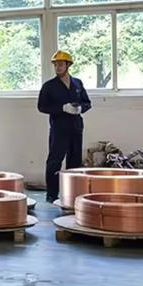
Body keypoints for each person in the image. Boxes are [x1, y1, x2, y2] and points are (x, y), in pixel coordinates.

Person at [37, 50, 92, 203]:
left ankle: (73, 193)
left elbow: (87, 102)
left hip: (76, 128)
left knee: (75, 162)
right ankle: (52, 194)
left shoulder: (77, 83)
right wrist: (61, 108)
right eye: (55, 65)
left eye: (60, 64)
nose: (57, 67)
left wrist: (80, 109)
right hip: (59, 128)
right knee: (54, 161)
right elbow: (42, 107)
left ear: (68, 65)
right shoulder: (49, 86)